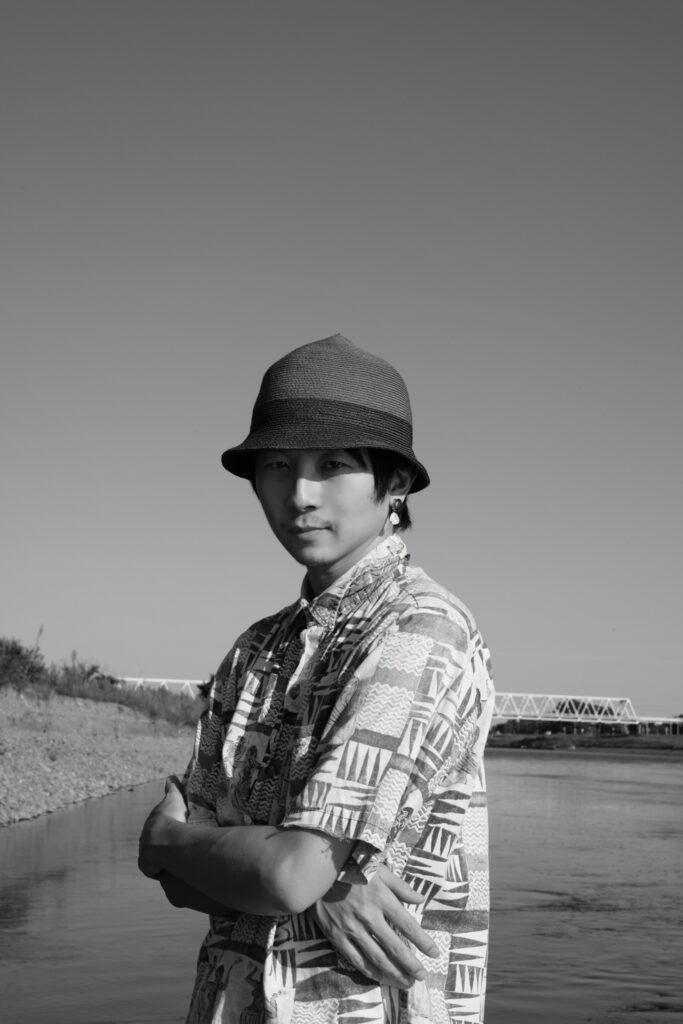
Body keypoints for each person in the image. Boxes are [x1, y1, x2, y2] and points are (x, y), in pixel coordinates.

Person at [138, 334, 495, 1024]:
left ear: (394, 483)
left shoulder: (420, 629)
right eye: (278, 464)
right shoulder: (257, 647)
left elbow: (283, 873)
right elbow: (181, 889)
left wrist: (167, 840)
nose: (300, 494)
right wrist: (313, 885)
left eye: (332, 465)